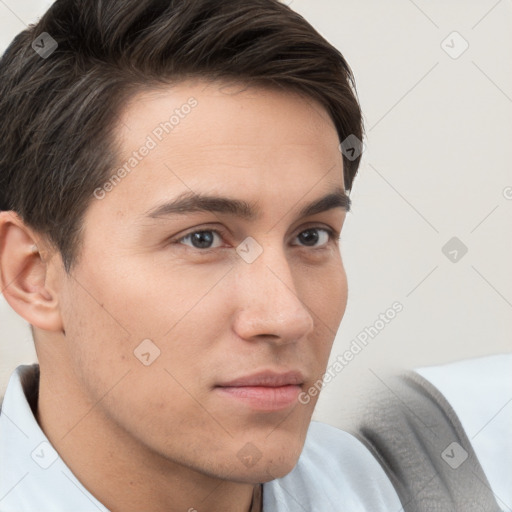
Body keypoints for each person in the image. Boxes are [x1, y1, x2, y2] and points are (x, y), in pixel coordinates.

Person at [0, 1, 400, 511]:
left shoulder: (391, 490)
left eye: (311, 236)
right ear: (32, 274)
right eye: (202, 239)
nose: (288, 316)